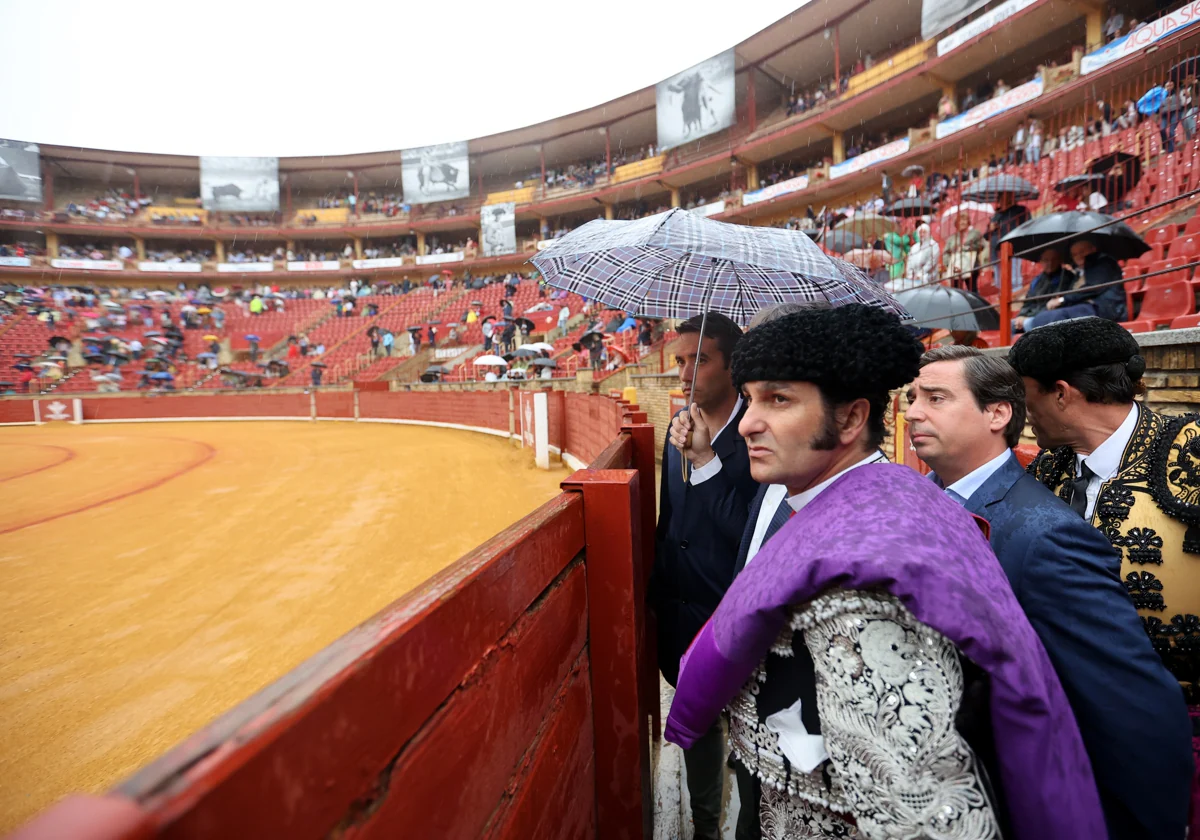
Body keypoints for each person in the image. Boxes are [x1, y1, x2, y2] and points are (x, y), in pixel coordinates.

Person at [665, 305, 1105, 839]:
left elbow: (919, 814)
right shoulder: (883, 503)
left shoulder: (862, 582)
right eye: (752, 398)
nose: (752, 421)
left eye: (778, 399)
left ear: (850, 419)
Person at [907, 345, 1192, 840]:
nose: (911, 412)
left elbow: (1129, 703)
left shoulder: (1048, 533)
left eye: (934, 398)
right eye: (912, 397)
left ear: (997, 413)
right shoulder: (916, 504)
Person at [651, 312, 757, 840]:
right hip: (683, 608)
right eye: (679, 360)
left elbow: (749, 531)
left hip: (735, 608)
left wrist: (709, 462)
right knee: (695, 726)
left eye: (700, 359)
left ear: (733, 366)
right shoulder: (679, 425)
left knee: (747, 728)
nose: (686, 372)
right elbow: (671, 524)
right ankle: (705, 826)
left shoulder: (758, 430)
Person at [1024, 238, 1126, 329]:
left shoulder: (1104, 263)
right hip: (1086, 307)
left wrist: (1062, 299)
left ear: (1093, 249)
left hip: (1104, 308)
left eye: (1082, 252)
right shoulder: (1078, 272)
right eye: (1074, 254)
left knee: (1055, 316)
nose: (1078, 257)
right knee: (1045, 316)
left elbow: (1092, 288)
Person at [1012, 247, 1076, 333]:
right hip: (1033, 315)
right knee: (1010, 325)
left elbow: (1054, 304)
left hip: (1048, 316)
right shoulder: (1037, 280)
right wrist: (1021, 315)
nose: (1050, 263)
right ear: (1041, 261)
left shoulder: (1066, 277)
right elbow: (1028, 302)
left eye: (1054, 259)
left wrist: (1029, 317)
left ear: (1060, 260)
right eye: (1046, 260)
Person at [890, 222, 940, 291]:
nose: (922, 234)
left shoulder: (933, 245)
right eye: (920, 232)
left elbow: (931, 263)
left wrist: (919, 275)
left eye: (924, 232)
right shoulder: (914, 247)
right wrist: (910, 275)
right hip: (914, 280)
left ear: (928, 233)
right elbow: (909, 262)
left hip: (929, 278)